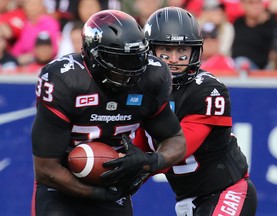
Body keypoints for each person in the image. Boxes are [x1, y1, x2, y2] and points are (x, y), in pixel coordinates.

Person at [31, 9, 186, 216]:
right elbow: (45, 169)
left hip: (112, 185)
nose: (130, 69)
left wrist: (151, 161)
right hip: (59, 185)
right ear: (93, 55)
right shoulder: (65, 80)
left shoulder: (152, 76)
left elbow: (175, 138)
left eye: (135, 58)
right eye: (120, 60)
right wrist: (99, 194)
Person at [134, 6, 257, 216]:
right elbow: (139, 144)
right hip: (188, 201)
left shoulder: (207, 89)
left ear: (194, 51)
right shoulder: (142, 89)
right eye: (165, 49)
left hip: (227, 191)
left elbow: (180, 147)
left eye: (182, 50)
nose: (173, 58)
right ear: (150, 50)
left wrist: (139, 164)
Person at [231, 0, 277, 71]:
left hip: (267, 67)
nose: (256, 6)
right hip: (246, 68)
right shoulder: (238, 23)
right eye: (251, 3)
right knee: (241, 62)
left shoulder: (271, 23)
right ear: (243, 6)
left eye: (258, 3)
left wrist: (262, 22)